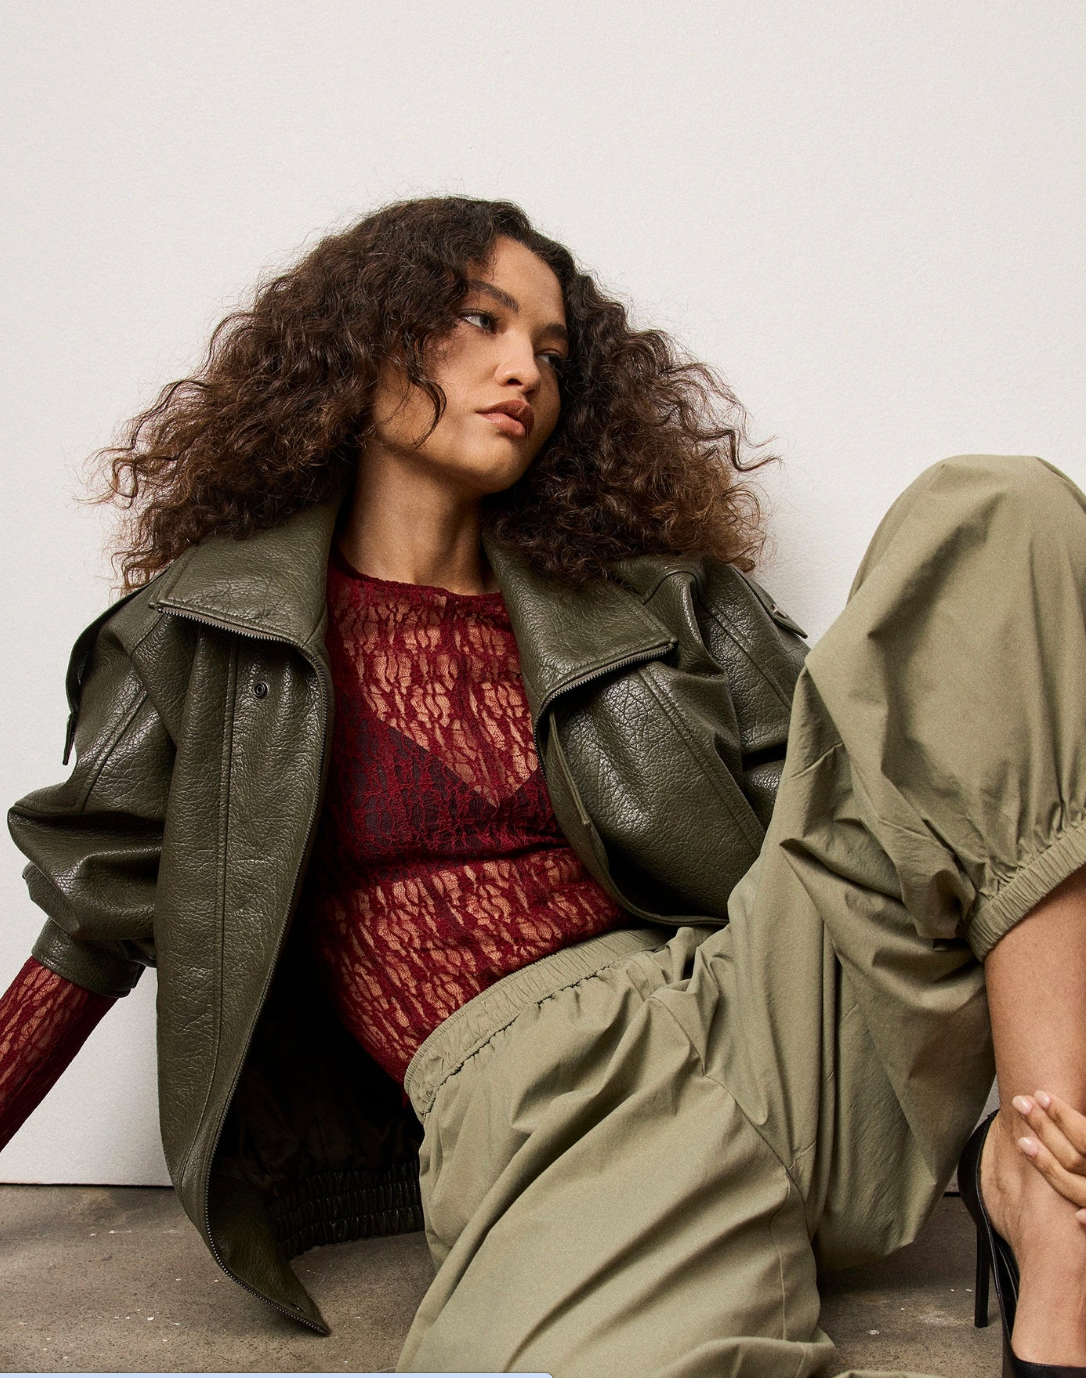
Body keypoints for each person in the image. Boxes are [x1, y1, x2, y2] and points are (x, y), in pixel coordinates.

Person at [1, 194, 1085, 1378]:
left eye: (554, 354)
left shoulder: (656, 598)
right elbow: (87, 932)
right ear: (361, 342)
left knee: (997, 514)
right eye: (482, 319)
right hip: (547, 1115)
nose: (525, 368)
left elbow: (877, 792)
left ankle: (1046, 1192)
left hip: (774, 1022)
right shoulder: (208, 633)